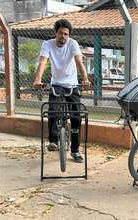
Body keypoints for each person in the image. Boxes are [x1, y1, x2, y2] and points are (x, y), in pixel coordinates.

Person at [33, 19, 90, 162]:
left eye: (66, 34)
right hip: (56, 84)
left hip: (72, 85)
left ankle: (75, 151)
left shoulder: (73, 44)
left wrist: (85, 79)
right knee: (53, 109)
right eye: (61, 33)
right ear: (55, 33)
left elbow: (79, 62)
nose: (63, 36)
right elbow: (42, 62)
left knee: (76, 117)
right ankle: (53, 140)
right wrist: (37, 79)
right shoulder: (47, 44)